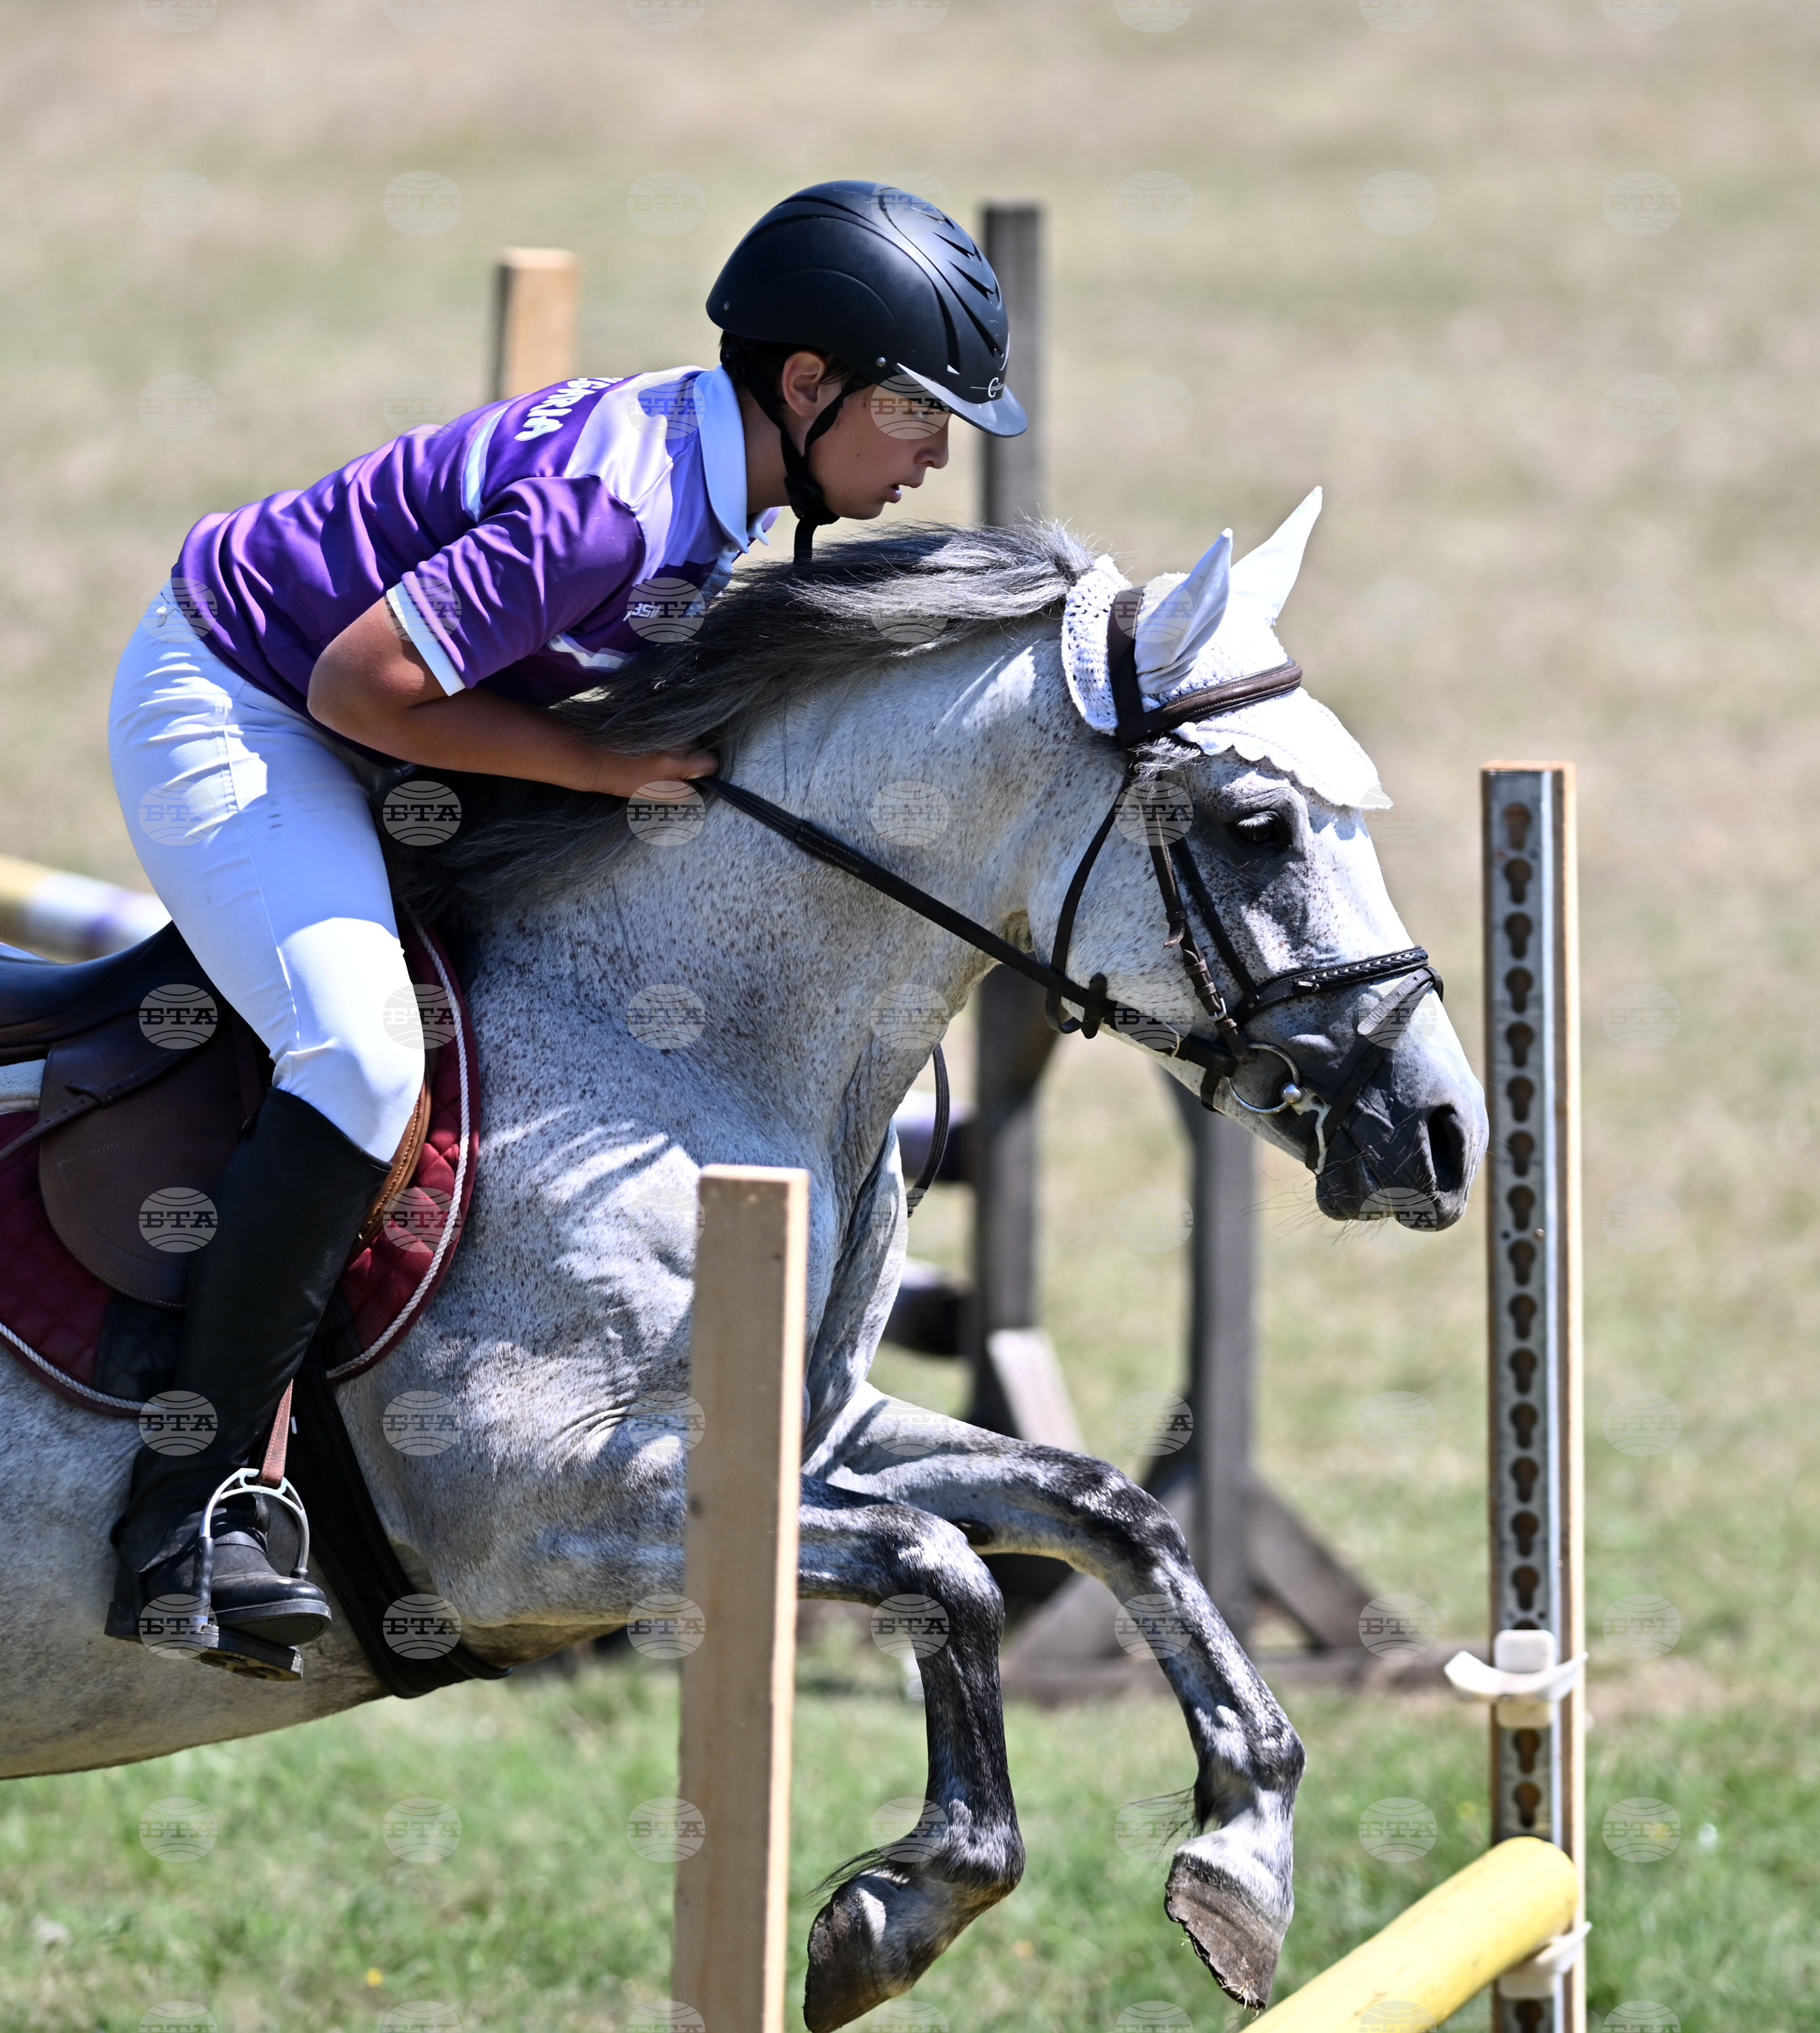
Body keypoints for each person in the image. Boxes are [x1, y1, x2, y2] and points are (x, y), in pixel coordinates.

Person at [104, 180, 1027, 1660]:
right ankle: (189, 1512)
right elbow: (360, 686)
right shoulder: (621, 509)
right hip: (243, 705)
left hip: (365, 720)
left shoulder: (722, 478)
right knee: (360, 1058)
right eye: (915, 411)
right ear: (806, 384)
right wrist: (600, 771)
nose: (933, 452)